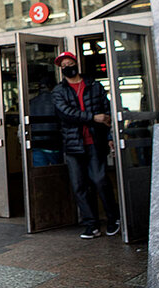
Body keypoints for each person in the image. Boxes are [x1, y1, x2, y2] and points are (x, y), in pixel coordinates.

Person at [50, 51, 120, 239]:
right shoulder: (58, 91)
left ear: (76, 63)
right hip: (73, 146)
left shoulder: (95, 86)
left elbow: (106, 112)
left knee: (100, 180)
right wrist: (92, 117)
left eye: (69, 63)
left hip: (95, 142)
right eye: (62, 65)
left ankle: (114, 219)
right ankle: (91, 225)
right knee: (79, 186)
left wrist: (110, 136)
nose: (66, 67)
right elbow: (66, 113)